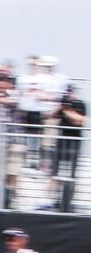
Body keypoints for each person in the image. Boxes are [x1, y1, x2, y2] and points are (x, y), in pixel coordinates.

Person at [51, 84, 85, 212]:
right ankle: (55, 201)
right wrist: (60, 107)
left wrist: (67, 110)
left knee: (71, 176)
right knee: (55, 175)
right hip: (61, 144)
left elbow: (79, 120)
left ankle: (68, 202)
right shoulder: (62, 106)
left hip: (73, 145)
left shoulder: (80, 104)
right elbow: (49, 116)